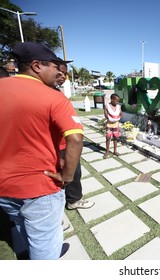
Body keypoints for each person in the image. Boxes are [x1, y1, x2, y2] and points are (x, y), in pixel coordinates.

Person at [0, 42, 84, 260]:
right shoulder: (53, 97)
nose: (59, 73)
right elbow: (75, 138)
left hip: (3, 185)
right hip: (39, 186)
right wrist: (67, 176)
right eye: (55, 68)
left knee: (20, 223)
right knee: (44, 240)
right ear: (37, 66)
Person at [54, 61, 95, 211]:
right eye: (59, 73)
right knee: (63, 175)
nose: (63, 77)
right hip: (58, 146)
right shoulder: (45, 95)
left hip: (65, 144)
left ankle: (73, 200)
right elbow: (76, 139)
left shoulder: (57, 93)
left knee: (74, 173)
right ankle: (57, 210)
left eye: (65, 74)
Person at [103, 93, 123, 159]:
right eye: (116, 100)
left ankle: (115, 151)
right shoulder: (107, 106)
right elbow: (106, 114)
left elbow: (121, 113)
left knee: (115, 137)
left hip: (116, 125)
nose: (117, 102)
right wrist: (110, 118)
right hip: (109, 124)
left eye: (118, 101)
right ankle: (107, 152)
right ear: (112, 99)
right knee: (108, 137)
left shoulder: (118, 107)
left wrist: (118, 117)